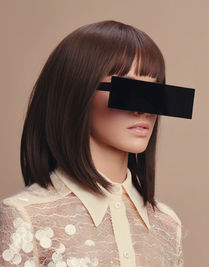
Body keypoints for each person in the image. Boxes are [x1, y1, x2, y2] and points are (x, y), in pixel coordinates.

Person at [0, 20, 184, 267]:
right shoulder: (26, 218)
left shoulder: (167, 225)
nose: (144, 109)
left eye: (154, 93)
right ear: (77, 93)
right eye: (128, 90)